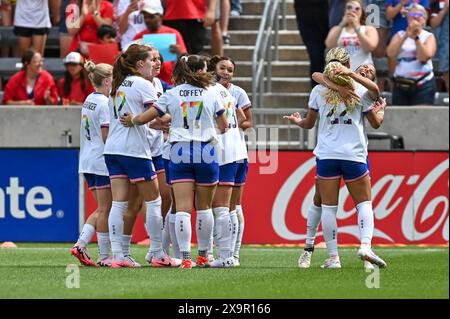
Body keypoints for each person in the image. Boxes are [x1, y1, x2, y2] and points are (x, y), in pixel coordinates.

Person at [120, 54, 229, 269]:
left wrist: (132, 119)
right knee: (205, 207)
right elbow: (224, 126)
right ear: (199, 71)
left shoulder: (172, 93)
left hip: (179, 149)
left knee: (182, 209)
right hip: (205, 149)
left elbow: (146, 117)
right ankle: (204, 256)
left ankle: (186, 257)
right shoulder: (212, 93)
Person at [284, 47, 387, 269]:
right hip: (354, 154)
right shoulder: (360, 89)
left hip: (327, 154)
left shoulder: (318, 91)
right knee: (363, 204)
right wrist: (381, 109)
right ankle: (366, 246)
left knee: (328, 208)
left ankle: (333, 258)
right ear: (347, 64)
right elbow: (376, 116)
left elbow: (309, 124)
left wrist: (297, 121)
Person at [104, 43, 179, 268]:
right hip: (135, 150)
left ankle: (119, 255)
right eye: (150, 60)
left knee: (119, 204)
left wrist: (143, 119)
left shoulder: (118, 84)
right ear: (139, 64)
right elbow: (160, 113)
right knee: (154, 200)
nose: (155, 64)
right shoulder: (142, 84)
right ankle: (158, 253)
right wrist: (155, 121)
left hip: (113, 150)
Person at [207, 55, 252, 267]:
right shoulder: (226, 93)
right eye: (222, 68)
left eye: (230, 69)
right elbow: (240, 117)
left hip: (225, 153)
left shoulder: (214, 91)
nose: (226, 72)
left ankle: (226, 255)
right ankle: (229, 255)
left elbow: (246, 120)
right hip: (237, 151)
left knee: (223, 207)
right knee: (231, 208)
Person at [71, 60, 114, 267]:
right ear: (107, 80)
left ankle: (81, 244)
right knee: (106, 208)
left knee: (102, 208)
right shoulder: (105, 103)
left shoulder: (89, 99)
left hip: (87, 159)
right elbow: (106, 136)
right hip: (101, 160)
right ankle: (104, 256)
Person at [387, 4, 436, 105]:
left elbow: (424, 57)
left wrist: (416, 38)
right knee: (400, 118)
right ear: (408, 18)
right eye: (413, 14)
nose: (416, 16)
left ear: (425, 20)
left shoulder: (429, 36)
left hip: (423, 84)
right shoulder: (399, 35)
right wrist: (406, 35)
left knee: (422, 118)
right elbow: (390, 53)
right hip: (401, 84)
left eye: (420, 14)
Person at [133, 0, 187, 83]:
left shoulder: (173, 33)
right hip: (147, 81)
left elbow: (185, 58)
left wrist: (179, 52)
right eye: (145, 17)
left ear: (161, 16)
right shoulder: (139, 37)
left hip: (170, 80)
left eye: (151, 17)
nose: (147, 20)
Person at [326, 0, 379, 71]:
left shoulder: (369, 29)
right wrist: (342, 24)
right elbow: (329, 45)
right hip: (341, 73)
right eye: (349, 8)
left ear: (362, 12)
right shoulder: (337, 28)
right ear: (344, 11)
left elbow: (370, 47)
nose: (353, 11)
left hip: (363, 74)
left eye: (357, 8)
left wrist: (356, 27)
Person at [294, 0, 329, 87]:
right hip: (308, 23)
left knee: (332, 58)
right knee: (316, 58)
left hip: (327, 20)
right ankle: (316, 93)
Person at [430, 0, 449, 92]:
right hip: (440, 43)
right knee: (438, 73)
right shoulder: (436, 3)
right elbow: (433, 23)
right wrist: (445, 8)